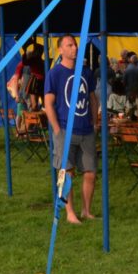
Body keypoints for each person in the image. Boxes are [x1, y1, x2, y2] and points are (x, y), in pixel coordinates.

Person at [44, 36, 99, 224]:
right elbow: (48, 103)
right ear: (61, 50)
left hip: (86, 130)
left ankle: (86, 211)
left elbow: (92, 98)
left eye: (75, 44)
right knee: (65, 173)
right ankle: (69, 213)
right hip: (65, 129)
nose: (74, 48)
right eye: (70, 45)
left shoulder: (86, 72)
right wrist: (57, 129)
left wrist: (95, 121)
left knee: (90, 172)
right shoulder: (55, 73)